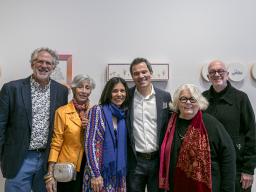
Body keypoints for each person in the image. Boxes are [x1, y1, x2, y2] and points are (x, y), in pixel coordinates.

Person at [0, 47, 68, 192]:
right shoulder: (11, 89)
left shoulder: (61, 91)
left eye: (48, 63)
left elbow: (64, 121)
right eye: (40, 61)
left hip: (47, 160)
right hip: (19, 158)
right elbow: (1, 126)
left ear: (53, 67)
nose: (44, 66)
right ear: (32, 64)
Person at [159, 83, 236, 192]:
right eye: (183, 99)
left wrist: (227, 188)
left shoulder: (211, 124)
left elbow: (228, 155)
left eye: (193, 99)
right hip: (176, 186)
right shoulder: (170, 124)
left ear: (199, 102)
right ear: (177, 102)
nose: (188, 102)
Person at [202, 60, 256, 192]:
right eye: (212, 72)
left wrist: (248, 169)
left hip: (237, 169)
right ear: (208, 77)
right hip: (209, 169)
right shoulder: (202, 99)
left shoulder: (241, 98)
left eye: (220, 71)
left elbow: (252, 133)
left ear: (227, 74)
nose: (217, 74)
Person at [126, 58, 172, 192]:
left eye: (144, 71)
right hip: (135, 161)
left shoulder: (164, 97)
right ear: (132, 76)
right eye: (136, 73)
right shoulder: (126, 97)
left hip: (158, 160)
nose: (141, 76)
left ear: (151, 72)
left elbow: (171, 125)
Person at [45, 74, 95, 192]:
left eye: (87, 87)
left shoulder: (95, 111)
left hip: (90, 166)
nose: (83, 91)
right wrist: (50, 174)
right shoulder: (62, 112)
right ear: (73, 89)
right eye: (80, 87)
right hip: (68, 167)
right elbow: (56, 142)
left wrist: (91, 127)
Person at [83, 77, 129, 192]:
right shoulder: (97, 111)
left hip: (118, 175)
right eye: (115, 91)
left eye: (122, 91)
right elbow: (90, 142)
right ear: (108, 93)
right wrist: (95, 174)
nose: (119, 94)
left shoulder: (124, 114)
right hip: (99, 173)